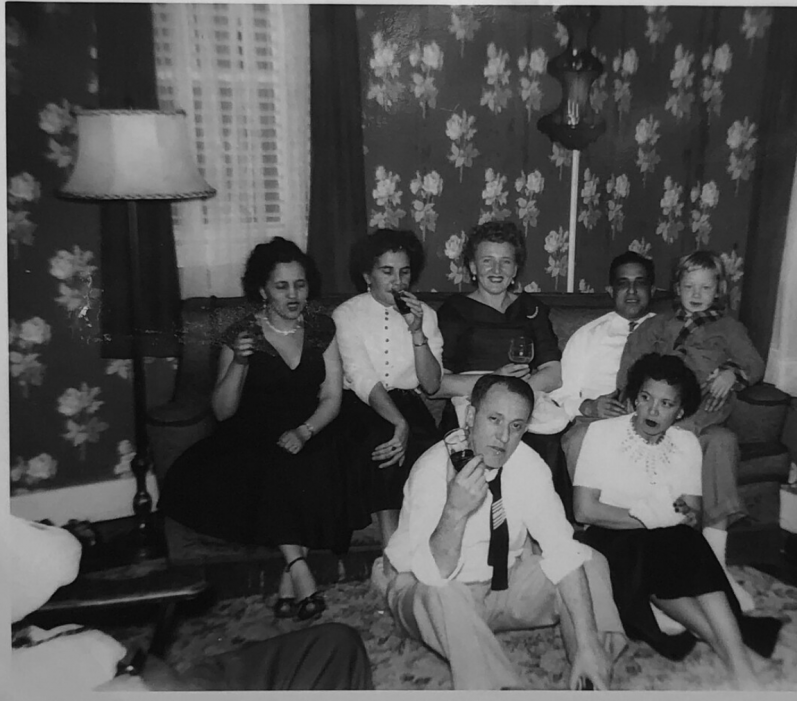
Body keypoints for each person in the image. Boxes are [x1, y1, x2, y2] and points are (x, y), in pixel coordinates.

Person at [382, 375, 628, 690]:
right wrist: (455, 512)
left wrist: (586, 640)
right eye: (494, 419)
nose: (503, 437)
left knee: (590, 561)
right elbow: (433, 574)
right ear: (470, 417)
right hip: (428, 596)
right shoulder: (432, 469)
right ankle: (498, 688)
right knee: (443, 592)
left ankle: (592, 669)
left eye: (515, 426)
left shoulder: (529, 464)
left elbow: (561, 549)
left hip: (501, 587)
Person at [160, 237, 346, 622]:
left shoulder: (321, 328)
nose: (293, 295)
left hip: (310, 427)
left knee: (313, 467)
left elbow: (332, 396)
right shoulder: (242, 332)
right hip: (252, 433)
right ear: (262, 290)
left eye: (300, 284)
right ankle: (300, 571)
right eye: (282, 286)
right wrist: (240, 363)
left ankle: (287, 579)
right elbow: (223, 412)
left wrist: (305, 431)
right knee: (278, 471)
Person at [574, 354, 781, 689]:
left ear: (681, 411)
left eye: (666, 403)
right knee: (662, 546)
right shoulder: (601, 434)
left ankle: (738, 665)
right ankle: (735, 655)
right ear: (633, 400)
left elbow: (690, 513)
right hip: (609, 540)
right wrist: (653, 516)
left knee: (683, 542)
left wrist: (667, 518)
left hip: (663, 542)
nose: (653, 411)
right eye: (645, 398)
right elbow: (585, 511)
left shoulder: (685, 443)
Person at [9, 514, 374, 694]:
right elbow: (57, 555)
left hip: (120, 672)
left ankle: (295, 566)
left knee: (335, 644)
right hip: (134, 687)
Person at [616, 250, 765, 580]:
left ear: (718, 290)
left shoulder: (729, 328)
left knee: (720, 441)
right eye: (689, 287)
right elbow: (630, 365)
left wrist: (732, 374)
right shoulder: (657, 324)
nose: (697, 295)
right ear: (677, 288)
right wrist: (632, 394)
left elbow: (754, 364)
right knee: (704, 438)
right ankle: (661, 550)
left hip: (703, 411)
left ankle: (714, 561)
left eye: (706, 288)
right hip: (659, 406)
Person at [435, 220, 570, 509]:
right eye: (487, 261)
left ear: (515, 269)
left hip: (526, 399)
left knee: (544, 442)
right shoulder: (454, 311)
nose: (496, 271)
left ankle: (536, 538)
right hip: (471, 402)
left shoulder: (531, 309)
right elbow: (438, 384)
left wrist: (514, 394)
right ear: (472, 266)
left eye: (505, 262)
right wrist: (493, 385)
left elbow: (554, 373)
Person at [332, 230, 443, 558]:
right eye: (387, 271)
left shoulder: (426, 314)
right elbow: (362, 376)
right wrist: (399, 423)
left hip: (409, 404)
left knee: (432, 458)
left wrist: (416, 330)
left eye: (404, 272)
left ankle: (425, 554)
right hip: (360, 405)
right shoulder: (346, 314)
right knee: (384, 443)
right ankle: (392, 556)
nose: (398, 281)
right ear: (367, 275)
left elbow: (432, 384)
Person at [552, 251, 657, 482]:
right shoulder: (587, 336)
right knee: (578, 440)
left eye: (640, 283)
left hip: (654, 417)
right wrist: (589, 407)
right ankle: (589, 515)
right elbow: (560, 394)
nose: (631, 291)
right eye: (623, 284)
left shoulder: (668, 332)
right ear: (611, 291)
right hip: (598, 420)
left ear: (652, 290)